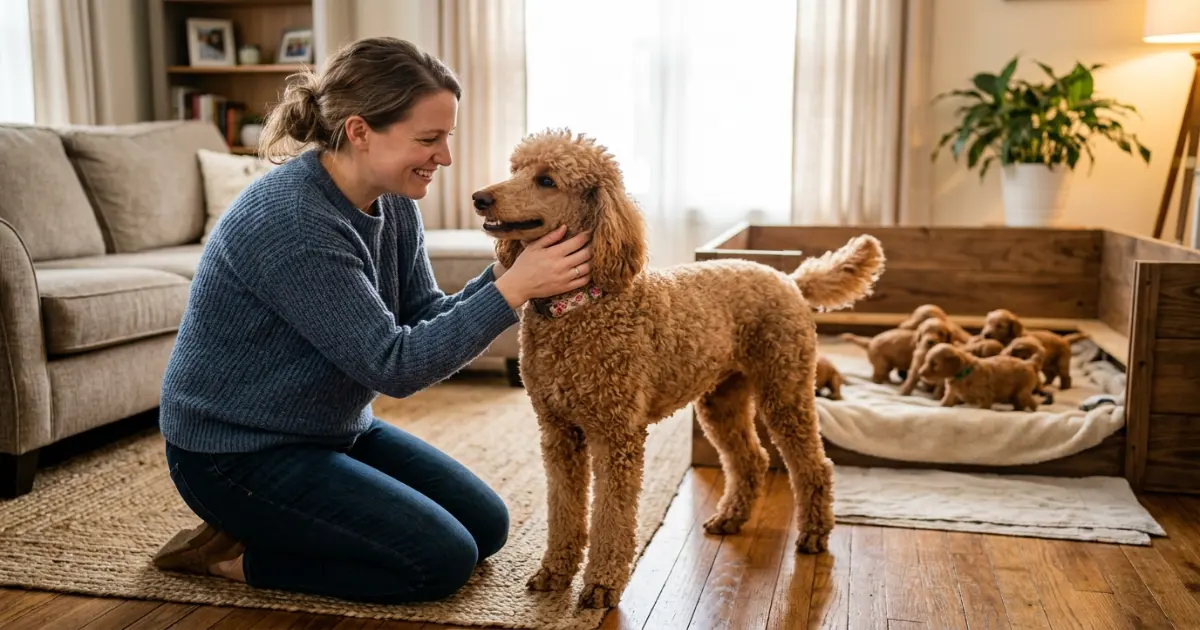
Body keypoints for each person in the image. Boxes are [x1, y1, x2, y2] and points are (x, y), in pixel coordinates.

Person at [151, 36, 592, 605]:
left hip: (330, 430)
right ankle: (232, 556)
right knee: (438, 563)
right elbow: (394, 365)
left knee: (487, 527)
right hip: (234, 454)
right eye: (428, 139)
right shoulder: (293, 221)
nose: (445, 158)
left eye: (447, 137)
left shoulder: (394, 198)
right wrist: (513, 290)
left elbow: (422, 315)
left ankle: (285, 524)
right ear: (359, 131)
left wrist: (506, 277)